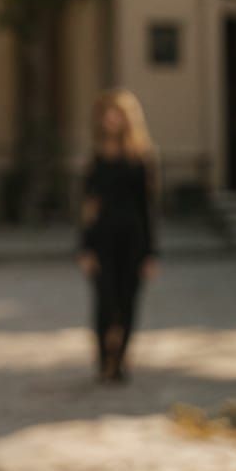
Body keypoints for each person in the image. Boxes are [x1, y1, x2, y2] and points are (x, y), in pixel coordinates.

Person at [76, 88, 162, 385]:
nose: (112, 119)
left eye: (117, 113)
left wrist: (152, 252)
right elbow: (88, 208)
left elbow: (148, 208)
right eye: (107, 113)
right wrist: (85, 247)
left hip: (133, 240)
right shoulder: (96, 160)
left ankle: (121, 360)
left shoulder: (142, 159)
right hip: (102, 241)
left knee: (127, 302)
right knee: (104, 300)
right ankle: (103, 360)